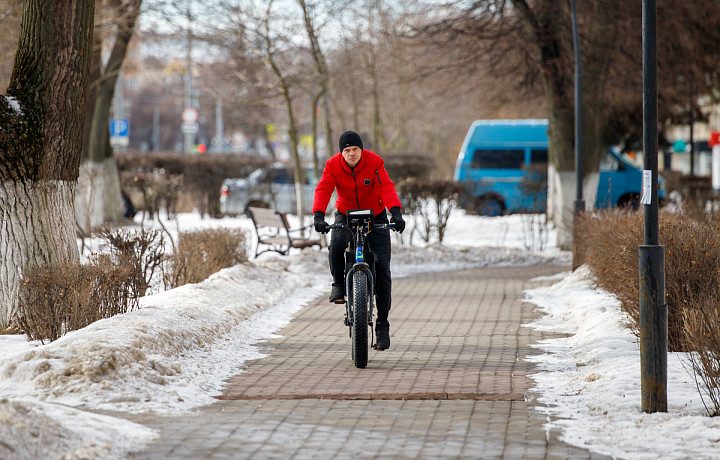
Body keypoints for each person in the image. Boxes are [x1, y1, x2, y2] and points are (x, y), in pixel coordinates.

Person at [312, 130, 405, 351]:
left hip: (376, 213)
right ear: (341, 153)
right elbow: (324, 188)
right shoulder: (333, 165)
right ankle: (337, 284)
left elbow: (386, 187)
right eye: (347, 150)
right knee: (336, 245)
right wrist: (318, 214)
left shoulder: (374, 162)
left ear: (361, 150)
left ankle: (382, 322)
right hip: (346, 213)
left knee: (382, 265)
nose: (351, 154)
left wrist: (396, 212)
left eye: (355, 149)